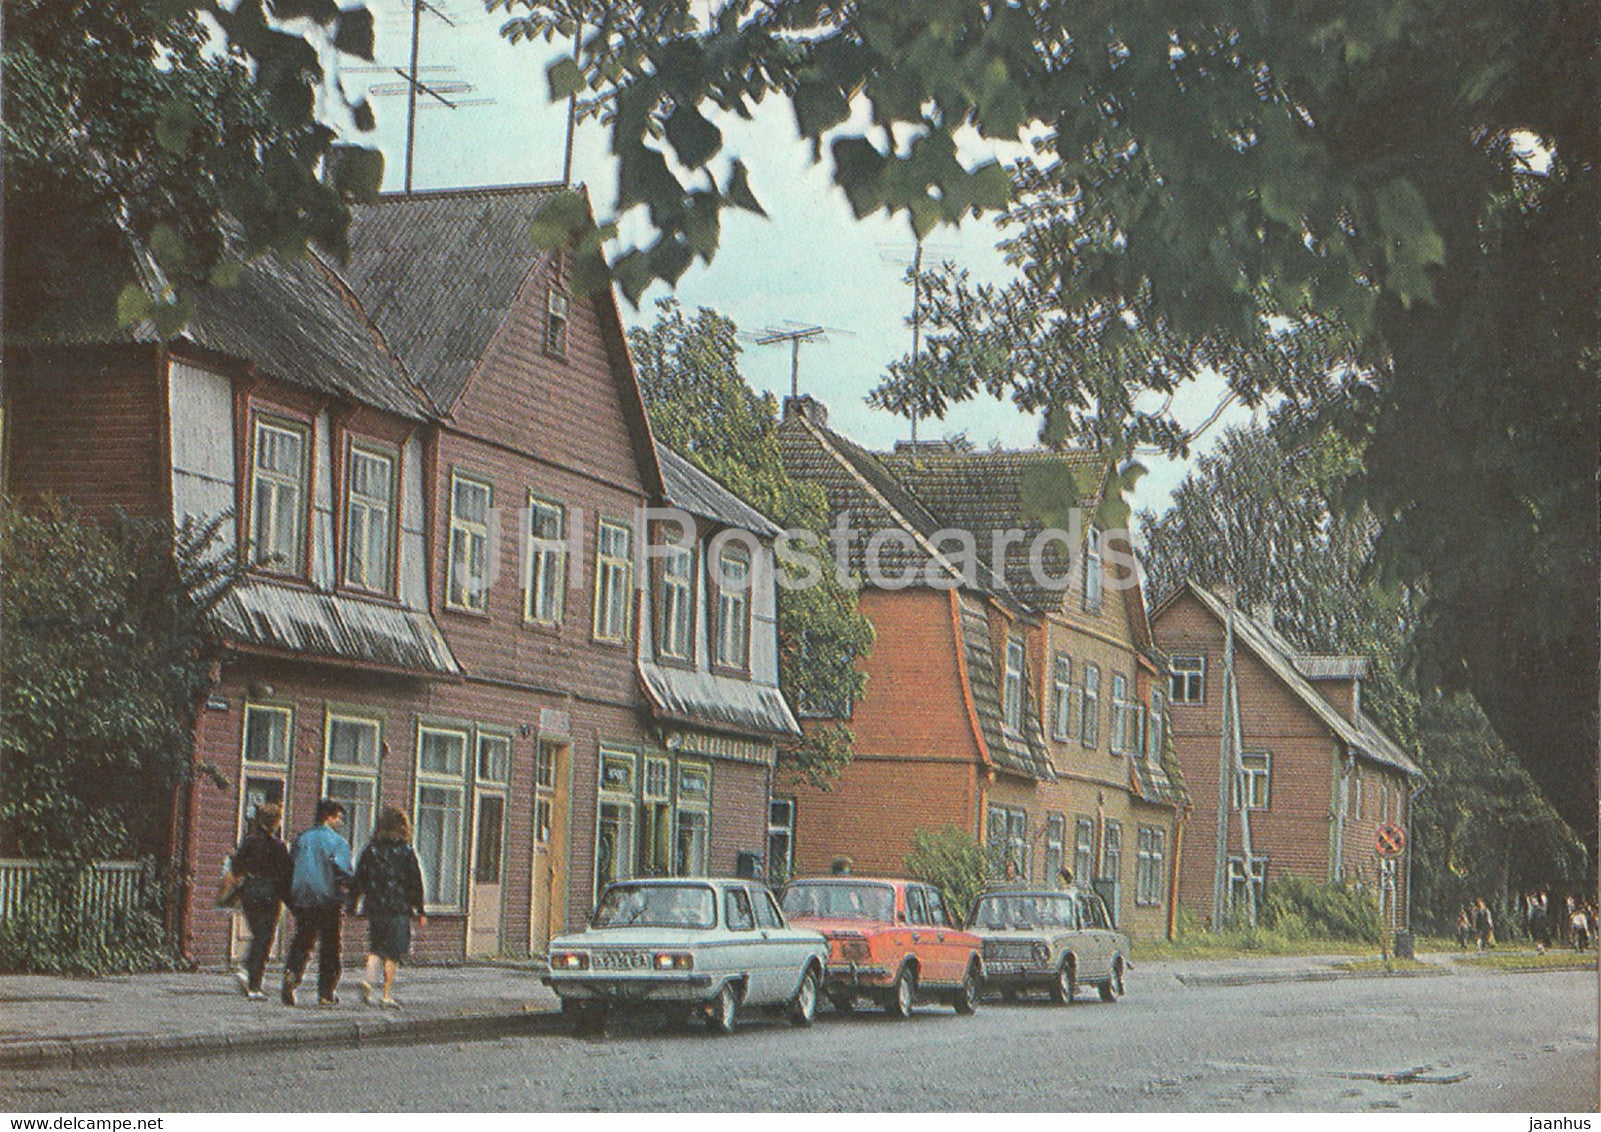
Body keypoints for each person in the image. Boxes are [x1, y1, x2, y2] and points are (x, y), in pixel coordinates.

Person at [347, 806, 426, 1009]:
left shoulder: (371, 849)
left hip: (375, 907)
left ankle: (368, 980)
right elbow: (414, 881)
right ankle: (386, 995)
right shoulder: (406, 851)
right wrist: (420, 909)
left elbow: (359, 878)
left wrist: (351, 903)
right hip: (398, 908)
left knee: (376, 948)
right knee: (393, 953)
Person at [282, 799, 354, 1007]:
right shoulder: (337, 842)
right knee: (330, 946)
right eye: (338, 817)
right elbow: (342, 872)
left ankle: (292, 973)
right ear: (329, 817)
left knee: (303, 940)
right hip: (328, 899)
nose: (340, 822)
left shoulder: (302, 839)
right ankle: (325, 992)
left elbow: (291, 866)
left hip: (303, 899)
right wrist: (349, 890)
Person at [228, 803, 292, 1000]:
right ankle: (254, 983)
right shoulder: (278, 846)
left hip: (249, 892)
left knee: (257, 934)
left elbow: (236, 864)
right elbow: (285, 873)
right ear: (274, 822)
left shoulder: (249, 842)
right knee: (264, 938)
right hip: (270, 894)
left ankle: (248, 970)